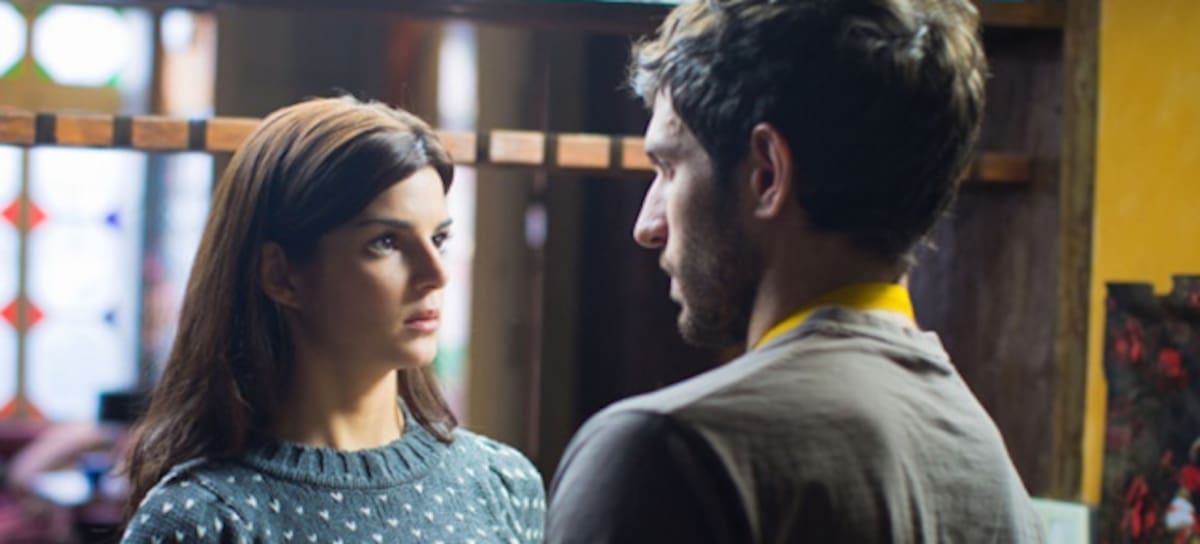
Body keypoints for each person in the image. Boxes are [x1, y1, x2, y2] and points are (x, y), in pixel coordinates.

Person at [546, 0, 1043, 542]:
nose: (647, 225)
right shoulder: (991, 474)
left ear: (766, 174)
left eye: (669, 167)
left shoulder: (668, 455)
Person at [121, 97, 545, 543]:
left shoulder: (502, 485)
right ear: (280, 275)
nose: (436, 274)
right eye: (386, 242)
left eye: (438, 239)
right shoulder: (202, 519)